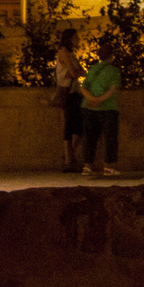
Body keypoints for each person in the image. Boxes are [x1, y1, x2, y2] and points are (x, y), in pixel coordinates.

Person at [81, 44, 121, 176]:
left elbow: (83, 87)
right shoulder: (114, 71)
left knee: (89, 137)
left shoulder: (92, 70)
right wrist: (100, 100)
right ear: (112, 56)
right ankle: (109, 167)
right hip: (108, 108)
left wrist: (91, 99)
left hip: (88, 107)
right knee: (110, 137)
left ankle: (87, 166)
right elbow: (112, 90)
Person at [56, 28, 86, 173]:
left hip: (75, 92)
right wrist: (75, 71)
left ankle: (69, 159)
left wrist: (76, 71)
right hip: (68, 93)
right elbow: (75, 72)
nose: (78, 40)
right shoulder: (64, 52)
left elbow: (81, 71)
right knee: (72, 126)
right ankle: (69, 160)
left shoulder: (71, 54)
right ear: (69, 39)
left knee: (77, 126)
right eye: (75, 38)